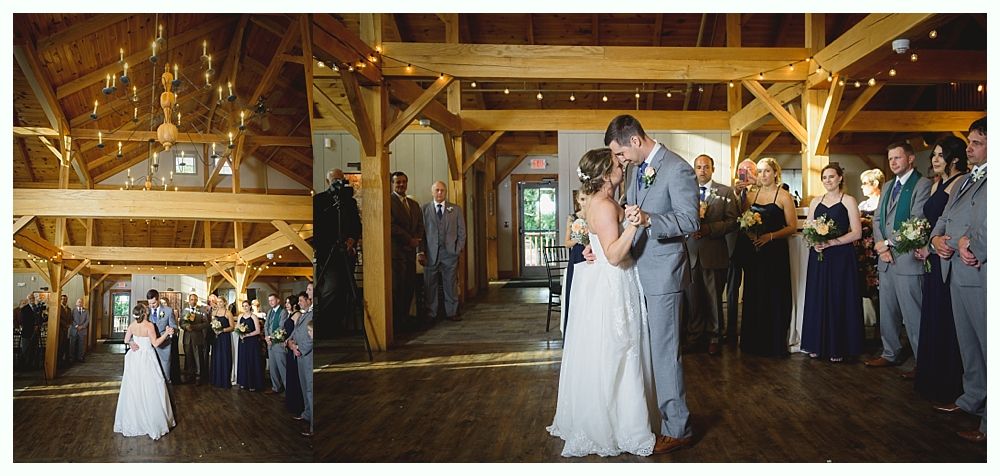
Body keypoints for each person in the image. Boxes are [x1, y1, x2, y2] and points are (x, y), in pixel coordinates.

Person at [547, 147, 657, 457]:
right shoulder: (606, 206)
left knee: (609, 350)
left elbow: (595, 240)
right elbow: (613, 254)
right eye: (617, 164)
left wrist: (588, 244)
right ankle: (621, 425)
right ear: (606, 174)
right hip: (615, 281)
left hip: (606, 281)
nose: (622, 165)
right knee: (621, 350)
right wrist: (635, 224)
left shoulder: (600, 203)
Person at [608, 114, 699, 454]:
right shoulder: (638, 168)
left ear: (634, 140)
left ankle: (678, 428)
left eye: (619, 153)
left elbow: (690, 220)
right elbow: (629, 210)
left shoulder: (678, 169)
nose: (619, 161)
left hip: (664, 273)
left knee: (664, 352)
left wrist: (649, 219)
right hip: (637, 269)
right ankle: (654, 414)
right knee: (646, 349)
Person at [930, 117, 987, 444]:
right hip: (956, 269)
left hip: (978, 269)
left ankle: (990, 424)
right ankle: (973, 398)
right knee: (970, 346)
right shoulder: (966, 179)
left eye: (976, 142)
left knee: (987, 345)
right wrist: (935, 240)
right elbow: (945, 215)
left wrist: (972, 245)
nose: (969, 148)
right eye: (969, 142)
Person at [866, 141, 932, 377]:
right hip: (886, 258)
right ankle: (890, 352)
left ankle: (922, 361)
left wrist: (890, 243)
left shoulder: (922, 184)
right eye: (891, 158)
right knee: (888, 310)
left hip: (907, 259)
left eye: (898, 158)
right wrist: (880, 246)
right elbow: (876, 220)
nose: (893, 162)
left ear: (911, 159)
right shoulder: (887, 186)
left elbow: (917, 220)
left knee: (913, 313)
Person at [913, 136, 968, 404]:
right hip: (933, 254)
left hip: (948, 254)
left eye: (939, 155)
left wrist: (935, 245)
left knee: (948, 315)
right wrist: (924, 244)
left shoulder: (961, 182)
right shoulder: (937, 184)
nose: (934, 160)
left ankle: (950, 380)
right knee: (932, 311)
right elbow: (932, 221)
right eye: (933, 155)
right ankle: (931, 375)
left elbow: (954, 221)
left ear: (954, 158)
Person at [800, 164, 864, 362]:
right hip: (819, 257)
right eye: (824, 178)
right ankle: (817, 344)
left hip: (841, 257)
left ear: (840, 178)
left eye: (831, 177)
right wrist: (814, 242)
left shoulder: (849, 201)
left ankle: (839, 346)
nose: (827, 180)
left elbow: (857, 232)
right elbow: (808, 228)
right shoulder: (815, 202)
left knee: (838, 298)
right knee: (818, 298)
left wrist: (832, 242)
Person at [739, 157, 797, 357]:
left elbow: (792, 226)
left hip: (775, 252)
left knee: (774, 294)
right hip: (755, 251)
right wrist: (751, 234)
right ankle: (753, 342)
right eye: (760, 171)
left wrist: (769, 236)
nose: (763, 175)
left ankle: (773, 343)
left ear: (775, 173)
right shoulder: (751, 196)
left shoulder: (784, 196)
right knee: (755, 293)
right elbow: (743, 221)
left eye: (767, 171)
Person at [683, 154, 739, 355]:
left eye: (706, 167)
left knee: (714, 298)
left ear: (713, 169)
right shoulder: (685, 191)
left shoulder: (725, 192)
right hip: (690, 253)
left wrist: (709, 229)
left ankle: (715, 336)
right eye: (698, 167)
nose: (702, 170)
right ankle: (694, 336)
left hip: (713, 252)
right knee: (693, 298)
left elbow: (733, 221)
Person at [113, 304, 176, 440]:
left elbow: (125, 340)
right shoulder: (149, 326)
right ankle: (152, 420)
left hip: (135, 359)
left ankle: (135, 419)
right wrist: (166, 333)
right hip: (147, 358)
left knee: (135, 388)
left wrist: (130, 343)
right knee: (151, 387)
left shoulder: (132, 325)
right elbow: (156, 343)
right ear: (145, 313)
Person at [314, 168, 361, 335]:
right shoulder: (319, 201)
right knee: (330, 289)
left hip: (346, 252)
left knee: (344, 289)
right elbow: (318, 229)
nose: (338, 182)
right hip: (328, 253)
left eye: (340, 179)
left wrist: (352, 239)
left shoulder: (350, 201)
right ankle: (326, 326)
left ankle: (339, 325)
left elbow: (356, 225)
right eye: (334, 179)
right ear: (328, 182)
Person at [419, 181, 467, 321]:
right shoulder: (424, 209)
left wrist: (458, 249)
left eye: (442, 190)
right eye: (437, 190)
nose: (440, 193)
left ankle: (452, 312)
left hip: (450, 253)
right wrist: (421, 252)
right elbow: (420, 233)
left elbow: (462, 232)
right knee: (430, 284)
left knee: (450, 283)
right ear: (432, 192)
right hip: (430, 253)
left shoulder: (455, 209)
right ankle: (431, 313)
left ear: (446, 192)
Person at [724, 159, 758, 345]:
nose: (745, 173)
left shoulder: (762, 191)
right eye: (742, 170)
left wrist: (755, 187)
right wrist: (737, 193)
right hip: (734, 244)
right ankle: (730, 333)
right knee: (731, 290)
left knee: (753, 289)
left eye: (749, 170)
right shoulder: (730, 192)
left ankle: (751, 330)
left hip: (754, 244)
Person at [390, 171, 425, 324]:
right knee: (397, 288)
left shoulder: (414, 204)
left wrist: (416, 241)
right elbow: (391, 225)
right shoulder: (388, 202)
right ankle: (396, 322)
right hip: (396, 252)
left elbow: (420, 225)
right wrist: (408, 239)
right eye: (398, 182)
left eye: (404, 182)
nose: (401, 185)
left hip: (411, 253)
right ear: (392, 184)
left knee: (408, 287)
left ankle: (404, 320)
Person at [857, 168, 884, 333]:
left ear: (875, 184)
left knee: (879, 292)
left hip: (878, 250)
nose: (862, 187)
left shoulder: (883, 202)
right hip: (863, 252)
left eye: (865, 183)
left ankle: (882, 328)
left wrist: (868, 222)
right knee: (865, 290)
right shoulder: (862, 205)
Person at [560, 190, 590, 333]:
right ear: (578, 200)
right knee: (576, 292)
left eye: (587, 199)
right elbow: (566, 243)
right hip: (577, 256)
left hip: (592, 254)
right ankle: (573, 331)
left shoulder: (595, 215)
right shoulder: (572, 218)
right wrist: (579, 237)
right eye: (582, 199)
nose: (585, 202)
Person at [288, 287, 314, 437]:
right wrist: (291, 342)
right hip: (299, 354)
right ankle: (307, 414)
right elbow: (298, 330)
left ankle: (312, 425)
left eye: (310, 289)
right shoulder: (306, 313)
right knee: (305, 388)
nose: (308, 290)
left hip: (307, 354)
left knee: (310, 389)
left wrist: (299, 348)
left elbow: (312, 337)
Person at [146, 289, 177, 383]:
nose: (152, 305)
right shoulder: (146, 311)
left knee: (165, 376)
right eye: (150, 303)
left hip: (164, 346)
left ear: (158, 299)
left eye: (154, 303)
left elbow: (174, 326)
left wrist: (173, 330)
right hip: (149, 346)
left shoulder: (168, 311)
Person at [181, 293, 210, 384]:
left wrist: (195, 327)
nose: (193, 301)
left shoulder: (202, 310)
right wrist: (186, 326)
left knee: (198, 358)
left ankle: (199, 376)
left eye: (195, 299)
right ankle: (190, 375)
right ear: (189, 300)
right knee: (188, 357)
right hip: (187, 338)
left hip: (197, 337)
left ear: (197, 301)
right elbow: (181, 323)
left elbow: (206, 323)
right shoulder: (185, 310)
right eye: (192, 299)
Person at [236, 300, 264, 391]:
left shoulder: (254, 317)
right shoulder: (240, 316)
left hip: (252, 342)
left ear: (250, 307)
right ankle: (244, 382)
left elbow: (258, 331)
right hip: (243, 342)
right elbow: (237, 327)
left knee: (252, 361)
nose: (245, 307)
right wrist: (240, 334)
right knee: (243, 361)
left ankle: (253, 383)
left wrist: (247, 335)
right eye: (243, 306)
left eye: (246, 306)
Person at [283, 295, 304, 416]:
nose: (286, 305)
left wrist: (290, 342)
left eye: (288, 302)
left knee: (295, 374)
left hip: (293, 347)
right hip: (288, 346)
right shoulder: (290, 315)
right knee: (290, 373)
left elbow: (297, 332)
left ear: (294, 304)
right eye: (286, 302)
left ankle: (297, 403)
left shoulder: (297, 315)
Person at [264, 293, 289, 394]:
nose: (270, 302)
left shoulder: (283, 312)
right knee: (273, 368)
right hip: (270, 343)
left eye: (272, 300)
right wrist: (267, 337)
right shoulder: (269, 311)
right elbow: (266, 326)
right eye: (269, 301)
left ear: (278, 300)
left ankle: (288, 389)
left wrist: (271, 337)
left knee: (282, 367)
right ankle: (276, 387)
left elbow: (281, 326)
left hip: (278, 343)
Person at [209, 296, 235, 388]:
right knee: (216, 357)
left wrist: (222, 330)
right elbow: (211, 324)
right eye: (218, 302)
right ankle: (215, 379)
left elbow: (232, 327)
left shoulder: (228, 313)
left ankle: (224, 380)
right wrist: (214, 329)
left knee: (224, 357)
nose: (219, 303)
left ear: (224, 303)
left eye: (221, 302)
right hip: (216, 337)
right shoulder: (214, 312)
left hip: (224, 337)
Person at [19, 294, 40, 370]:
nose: (32, 299)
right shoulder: (24, 309)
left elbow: (40, 318)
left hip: (36, 333)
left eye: (33, 298)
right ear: (28, 299)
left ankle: (32, 365)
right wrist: (33, 325)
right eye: (30, 298)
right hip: (27, 332)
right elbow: (24, 321)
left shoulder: (37, 308)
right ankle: (23, 367)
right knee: (26, 350)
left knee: (34, 350)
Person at [68, 298, 89, 362]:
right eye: (79, 302)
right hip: (74, 330)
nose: (80, 303)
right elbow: (71, 319)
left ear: (83, 303)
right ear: (76, 303)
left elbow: (87, 320)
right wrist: (76, 326)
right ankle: (71, 358)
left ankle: (80, 357)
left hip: (82, 330)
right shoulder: (73, 311)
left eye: (81, 302)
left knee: (81, 345)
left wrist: (82, 326)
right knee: (72, 344)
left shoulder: (86, 311)